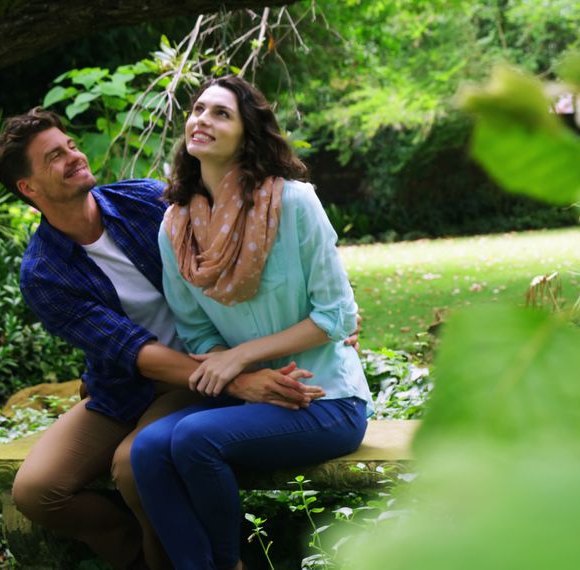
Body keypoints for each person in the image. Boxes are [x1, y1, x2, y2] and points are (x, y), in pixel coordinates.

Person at [0, 108, 334, 570]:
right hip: (127, 385)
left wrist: (326, 314)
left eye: (70, 145)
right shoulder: (45, 272)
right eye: (55, 156)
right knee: (36, 491)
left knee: (135, 465)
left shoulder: (148, 202)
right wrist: (237, 383)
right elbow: (131, 351)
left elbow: (250, 244)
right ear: (28, 188)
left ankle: (176, 558)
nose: (74, 156)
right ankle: (133, 547)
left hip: (204, 364)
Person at [130, 76, 374, 570]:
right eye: (198, 109)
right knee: (149, 449)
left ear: (249, 134)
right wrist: (247, 381)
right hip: (250, 398)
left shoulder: (293, 202)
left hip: (323, 398)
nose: (203, 119)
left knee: (195, 440)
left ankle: (231, 563)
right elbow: (197, 331)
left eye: (222, 114)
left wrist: (241, 356)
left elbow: (336, 316)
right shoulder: (175, 225)